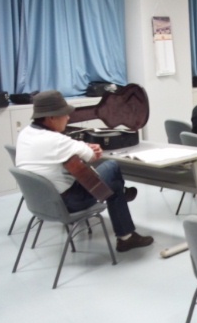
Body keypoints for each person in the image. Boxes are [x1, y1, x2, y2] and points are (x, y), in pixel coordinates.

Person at [15, 90, 154, 252]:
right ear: (51, 117)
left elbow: (72, 149)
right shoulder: (56, 141)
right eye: (64, 114)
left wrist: (81, 147)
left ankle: (126, 231)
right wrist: (86, 147)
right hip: (70, 203)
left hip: (42, 203)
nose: (68, 118)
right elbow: (92, 156)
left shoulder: (25, 133)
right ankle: (125, 231)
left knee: (113, 185)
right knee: (112, 167)